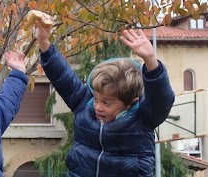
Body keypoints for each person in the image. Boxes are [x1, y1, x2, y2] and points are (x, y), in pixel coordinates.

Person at [34, 20, 175, 176]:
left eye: (107, 103)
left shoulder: (142, 119)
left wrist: (151, 62)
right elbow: (63, 77)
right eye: (96, 99)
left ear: (130, 103)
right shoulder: (84, 104)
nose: (98, 107)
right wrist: (44, 42)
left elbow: (161, 101)